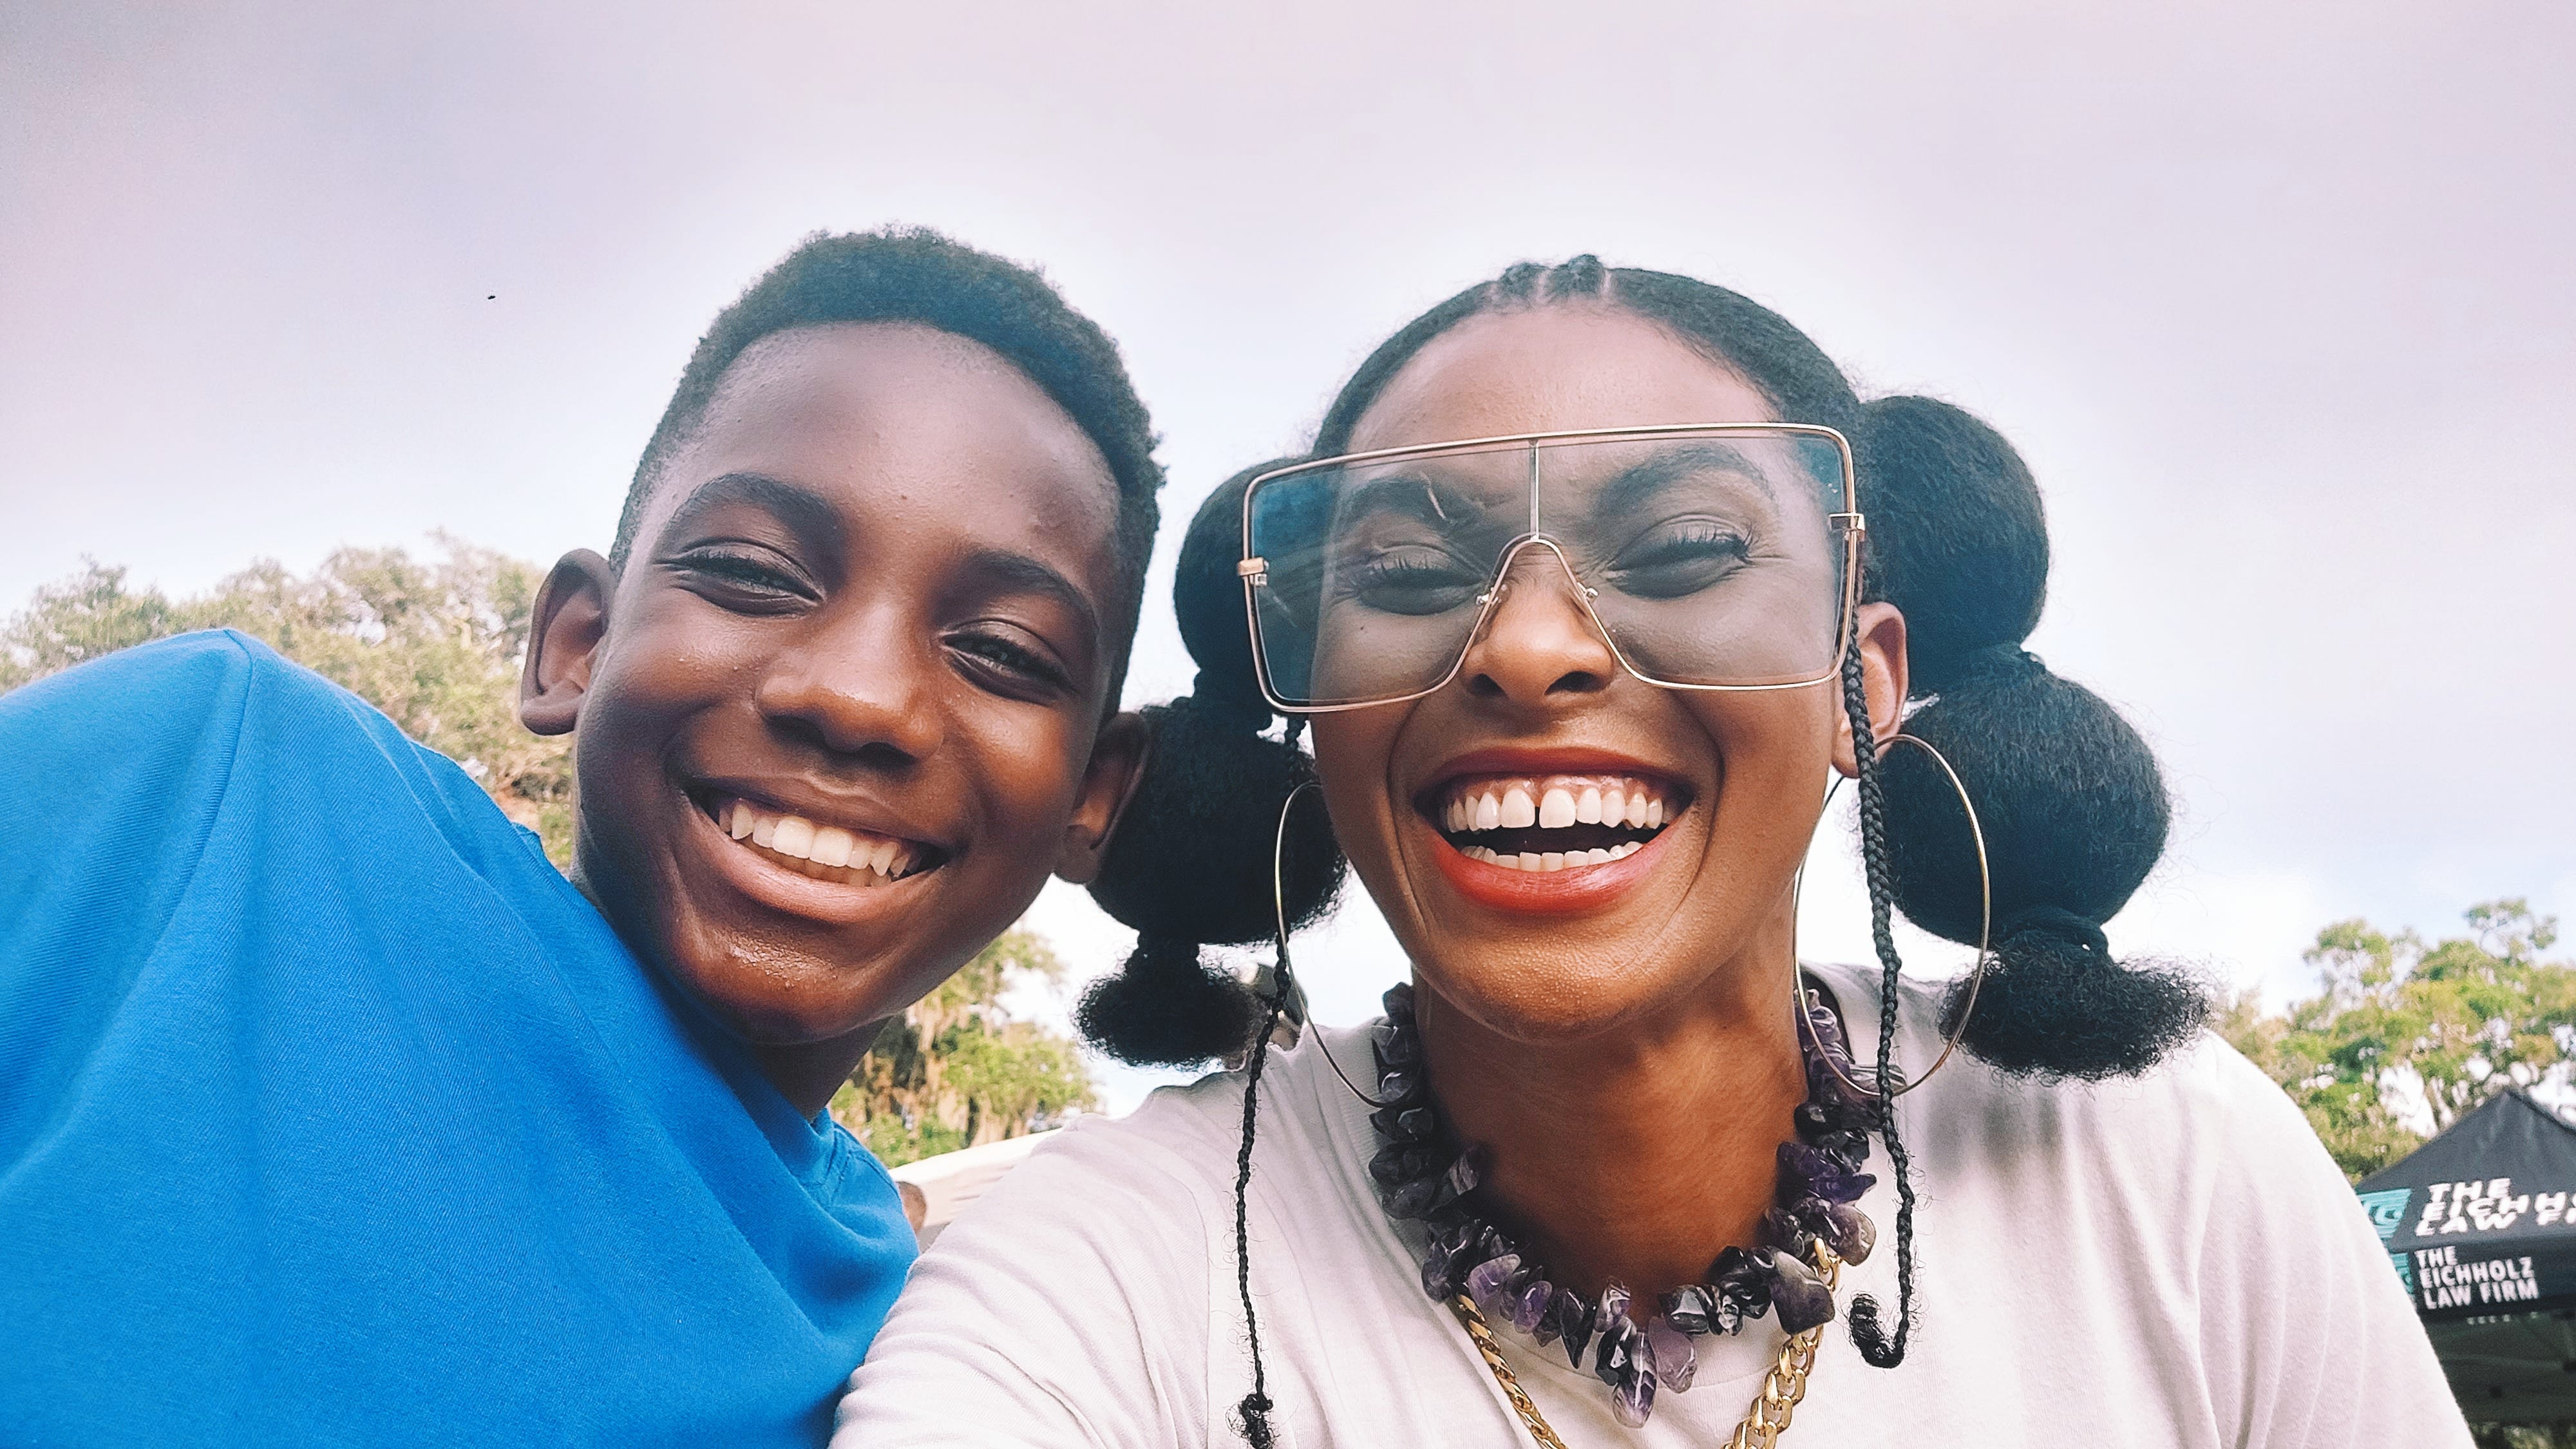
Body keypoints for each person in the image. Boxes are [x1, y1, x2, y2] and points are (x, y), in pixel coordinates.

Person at [837, 256, 2470, 1446]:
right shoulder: (1108, 1269)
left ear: (1860, 684)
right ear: (1311, 708)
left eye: (1683, 549)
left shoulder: (2156, 1167)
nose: (1527, 647)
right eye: (1401, 572)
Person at [0, 227, 1158, 1446]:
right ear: (578, 643)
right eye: (754, 573)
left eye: (1003, 652)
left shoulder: (941, 1350)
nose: (858, 697)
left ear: (1092, 793)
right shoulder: (217, 786)